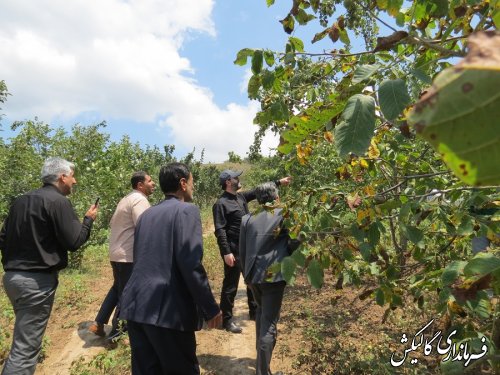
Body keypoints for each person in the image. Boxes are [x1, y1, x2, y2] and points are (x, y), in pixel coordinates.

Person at [119, 162, 222, 375]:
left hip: (137, 307)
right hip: (167, 312)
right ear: (183, 183)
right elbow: (190, 262)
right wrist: (210, 307)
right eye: (192, 182)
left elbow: (142, 258)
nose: (193, 187)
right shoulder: (186, 211)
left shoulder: (147, 214)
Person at [0, 157, 98, 375]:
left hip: (12, 279)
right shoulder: (58, 202)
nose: (75, 181)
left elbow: (3, 238)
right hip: (36, 283)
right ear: (62, 177)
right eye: (72, 176)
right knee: (25, 351)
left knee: (23, 340)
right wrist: (88, 220)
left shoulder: (20, 201)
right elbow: (74, 242)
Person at [212, 170, 291, 334]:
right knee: (230, 286)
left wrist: (278, 182)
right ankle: (227, 320)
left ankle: (255, 313)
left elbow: (258, 191)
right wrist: (226, 252)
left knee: (251, 280)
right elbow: (220, 230)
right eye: (236, 177)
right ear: (228, 182)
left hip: (247, 248)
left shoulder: (240, 197)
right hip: (233, 250)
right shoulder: (220, 204)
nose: (239, 179)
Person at [239, 182, 299, 375]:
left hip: (252, 277)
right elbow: (295, 240)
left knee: (261, 316)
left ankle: (263, 368)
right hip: (273, 277)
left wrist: (245, 275)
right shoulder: (284, 214)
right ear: (276, 197)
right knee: (269, 324)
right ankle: (263, 372)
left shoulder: (247, 219)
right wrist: (285, 253)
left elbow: (242, 250)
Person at [88, 171, 155, 339]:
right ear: (140, 185)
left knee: (117, 287)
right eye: (150, 180)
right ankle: (116, 334)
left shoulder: (125, 199)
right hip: (129, 255)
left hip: (116, 253)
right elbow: (144, 226)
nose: (153, 183)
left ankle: (99, 322)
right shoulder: (140, 200)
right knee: (127, 293)